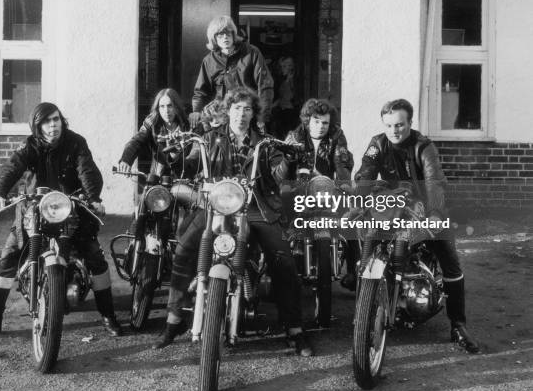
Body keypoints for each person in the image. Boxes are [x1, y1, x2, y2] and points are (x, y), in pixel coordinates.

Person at [157, 87, 313, 356]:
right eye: (237, 108)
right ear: (228, 111)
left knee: (283, 260)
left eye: (248, 109)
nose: (242, 114)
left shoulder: (264, 143)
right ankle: (174, 318)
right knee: (183, 249)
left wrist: (288, 160)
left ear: (254, 114)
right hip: (216, 204)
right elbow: (192, 162)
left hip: (255, 207)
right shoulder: (208, 138)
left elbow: (277, 175)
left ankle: (294, 328)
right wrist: (175, 156)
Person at [0, 102, 122, 339]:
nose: (53, 126)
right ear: (37, 126)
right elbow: (12, 167)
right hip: (34, 208)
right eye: (46, 122)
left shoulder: (76, 142)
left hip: (71, 208)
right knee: (8, 258)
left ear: (62, 121)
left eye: (56, 120)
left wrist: (93, 198)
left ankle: (108, 315)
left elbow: (87, 170)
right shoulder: (30, 146)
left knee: (95, 257)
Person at [354, 98, 480, 353]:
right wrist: (358, 202)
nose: (394, 131)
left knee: (449, 258)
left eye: (399, 125)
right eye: (389, 125)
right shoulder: (377, 144)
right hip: (393, 204)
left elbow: (434, 181)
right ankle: (363, 311)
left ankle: (458, 324)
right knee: (369, 240)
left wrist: (434, 213)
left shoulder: (424, 147)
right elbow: (365, 173)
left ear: (410, 123)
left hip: (425, 207)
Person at [284, 98, 360, 291]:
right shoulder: (295, 135)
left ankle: (353, 271)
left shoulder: (336, 135)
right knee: (282, 215)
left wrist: (344, 186)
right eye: (316, 121)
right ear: (307, 120)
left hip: (327, 188)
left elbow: (342, 162)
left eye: (325, 122)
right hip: (300, 188)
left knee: (350, 219)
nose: (320, 126)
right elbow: (286, 166)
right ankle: (279, 267)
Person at [189, 15, 274, 129]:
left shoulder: (252, 53)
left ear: (234, 35)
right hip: (220, 119)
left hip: (248, 116)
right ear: (214, 38)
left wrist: (262, 117)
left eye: (228, 33)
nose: (225, 37)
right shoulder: (209, 61)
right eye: (220, 34)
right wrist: (196, 111)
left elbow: (265, 86)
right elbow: (200, 92)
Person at [118, 88, 191, 179]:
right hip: (158, 177)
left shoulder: (187, 124)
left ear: (176, 107)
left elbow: (196, 152)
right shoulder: (152, 123)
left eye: (170, 106)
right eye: (162, 106)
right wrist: (126, 159)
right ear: (158, 108)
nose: (166, 110)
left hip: (184, 178)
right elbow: (137, 141)